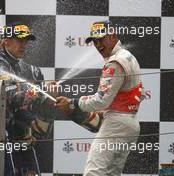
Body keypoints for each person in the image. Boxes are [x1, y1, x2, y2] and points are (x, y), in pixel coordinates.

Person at [55, 21, 145, 176]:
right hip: (130, 124)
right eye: (94, 41)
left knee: (94, 172)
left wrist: (72, 103)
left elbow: (100, 100)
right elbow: (137, 94)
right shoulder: (128, 56)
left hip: (116, 125)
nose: (98, 45)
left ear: (113, 36)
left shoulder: (115, 63)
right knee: (112, 173)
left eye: (101, 39)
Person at [0, 22, 55, 176]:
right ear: (6, 41)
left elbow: (19, 106)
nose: (24, 45)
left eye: (26, 41)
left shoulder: (17, 65)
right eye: (20, 40)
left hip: (10, 130)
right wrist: (37, 92)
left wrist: (48, 95)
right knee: (5, 172)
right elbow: (11, 98)